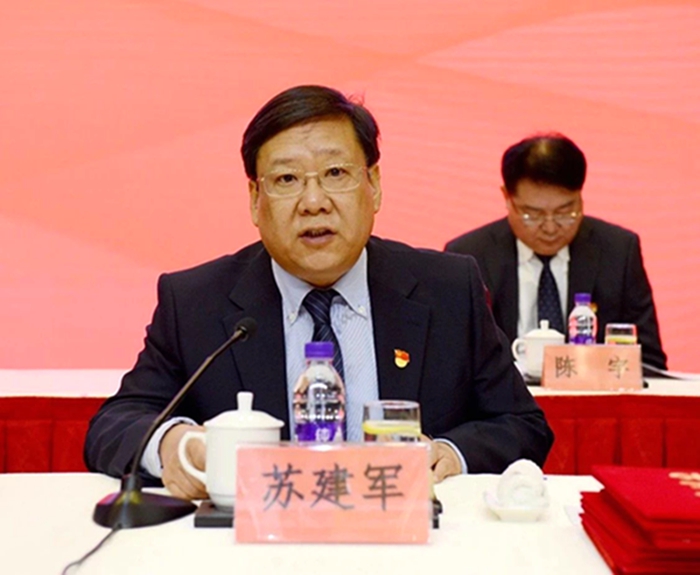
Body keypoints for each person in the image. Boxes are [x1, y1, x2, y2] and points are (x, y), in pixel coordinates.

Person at [85, 85, 553, 501]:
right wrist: (172, 444)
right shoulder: (195, 301)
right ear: (255, 200)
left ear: (373, 185)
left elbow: (522, 425)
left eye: (335, 173)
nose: (314, 202)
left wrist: (450, 453)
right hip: (254, 547)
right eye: (287, 180)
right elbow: (114, 424)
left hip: (408, 541)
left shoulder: (447, 289)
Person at [445, 133, 667, 370]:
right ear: (507, 197)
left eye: (565, 212)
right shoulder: (469, 256)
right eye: (533, 214)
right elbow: (451, 359)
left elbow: (649, 362)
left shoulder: (618, 251)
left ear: (580, 196)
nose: (550, 228)